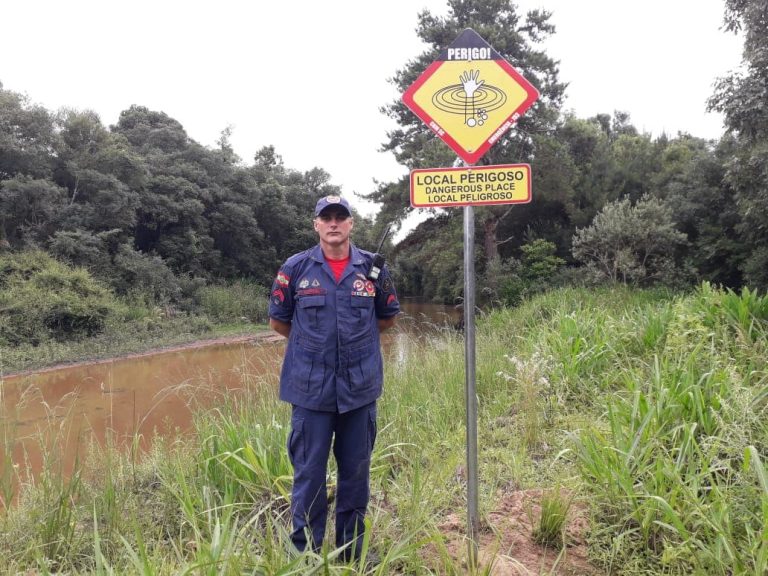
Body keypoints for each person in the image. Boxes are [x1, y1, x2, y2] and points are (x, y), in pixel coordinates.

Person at [268, 195, 399, 560]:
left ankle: (351, 553)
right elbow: (279, 321)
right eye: (326, 217)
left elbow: (387, 317)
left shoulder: (373, 269)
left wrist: (354, 345)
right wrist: (315, 348)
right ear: (316, 225)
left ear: (351, 223)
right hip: (310, 391)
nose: (334, 223)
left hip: (359, 390)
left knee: (355, 475)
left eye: (341, 216)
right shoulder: (295, 268)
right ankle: (305, 555)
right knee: (308, 475)